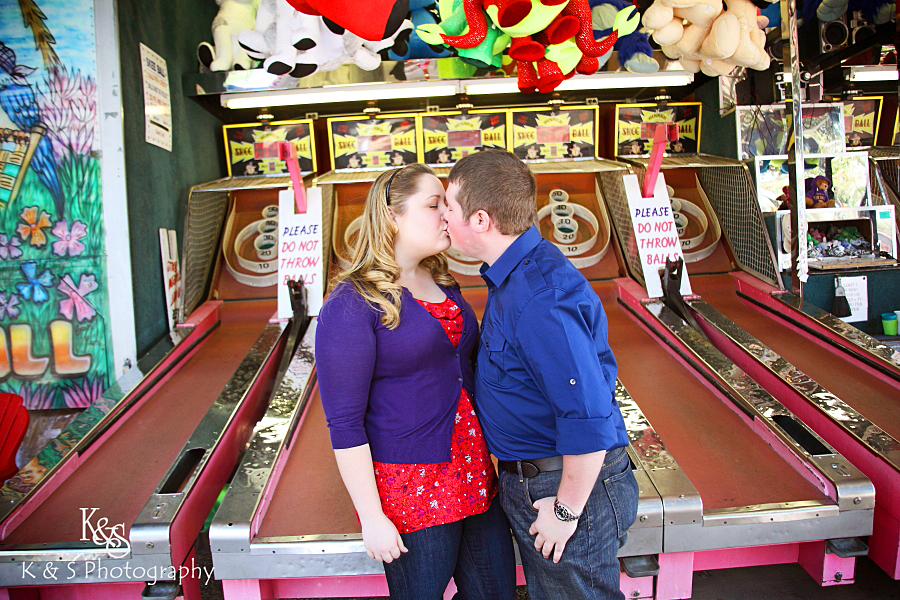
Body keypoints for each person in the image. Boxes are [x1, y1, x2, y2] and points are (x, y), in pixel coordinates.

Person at [443, 150, 639, 600]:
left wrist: (567, 511)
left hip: (563, 487)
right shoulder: (515, 278)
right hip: (539, 478)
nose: (443, 219)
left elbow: (587, 420)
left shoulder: (539, 298)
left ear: (479, 220)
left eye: (449, 209)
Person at [316, 163, 516, 600]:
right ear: (392, 216)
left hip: (474, 472)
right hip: (412, 486)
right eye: (433, 205)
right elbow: (345, 423)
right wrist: (371, 517)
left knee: (495, 593)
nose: (448, 213)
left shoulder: (444, 281)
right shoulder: (352, 303)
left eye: (446, 203)